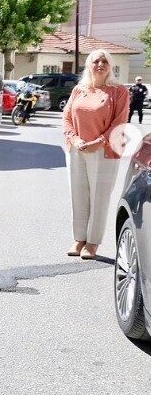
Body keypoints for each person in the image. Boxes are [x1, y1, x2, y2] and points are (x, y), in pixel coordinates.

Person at [63, 49, 129, 259]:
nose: (100, 64)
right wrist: (75, 139)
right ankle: (79, 238)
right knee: (78, 194)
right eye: (96, 61)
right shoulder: (79, 90)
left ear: (110, 66)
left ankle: (92, 242)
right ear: (88, 65)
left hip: (105, 150)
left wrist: (98, 142)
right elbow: (66, 118)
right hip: (77, 148)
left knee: (99, 197)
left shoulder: (119, 91)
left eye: (104, 61)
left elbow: (119, 122)